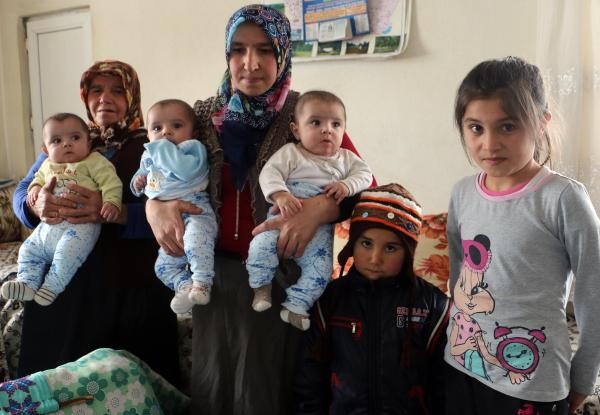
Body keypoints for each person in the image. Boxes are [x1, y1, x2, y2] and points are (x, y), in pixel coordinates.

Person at [144, 4, 372, 413]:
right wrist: (153, 206)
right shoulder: (201, 116)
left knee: (267, 390)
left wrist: (318, 210)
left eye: (265, 50)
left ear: (283, 54)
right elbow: (157, 169)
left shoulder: (307, 115)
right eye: (238, 50)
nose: (250, 63)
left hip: (280, 275)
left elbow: (362, 189)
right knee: (216, 387)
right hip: (214, 279)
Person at [445, 56, 600, 415]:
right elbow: (458, 277)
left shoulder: (563, 198)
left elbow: (593, 293)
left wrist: (584, 376)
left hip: (532, 382)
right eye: (476, 128)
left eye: (508, 126)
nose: (490, 144)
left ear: (542, 123)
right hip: (460, 366)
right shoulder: (462, 193)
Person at [12, 60, 180, 387]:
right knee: (58, 384)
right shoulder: (67, 138)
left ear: (131, 97)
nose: (105, 98)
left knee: (130, 387)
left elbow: (172, 212)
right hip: (67, 282)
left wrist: (118, 213)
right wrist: (35, 204)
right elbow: (24, 190)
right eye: (96, 90)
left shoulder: (153, 145)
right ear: (85, 96)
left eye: (117, 90)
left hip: (132, 280)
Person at [294, 183, 450, 414]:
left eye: (390, 248)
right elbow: (309, 379)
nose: (375, 259)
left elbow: (445, 385)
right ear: (352, 244)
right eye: (366, 244)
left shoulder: (433, 306)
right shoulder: (328, 300)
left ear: (408, 252)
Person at [246, 90, 372, 331]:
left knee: (322, 271)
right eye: (316, 123)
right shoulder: (292, 153)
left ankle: (297, 305)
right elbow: (270, 173)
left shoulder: (346, 158)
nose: (327, 130)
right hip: (285, 213)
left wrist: (347, 185)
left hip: (320, 232)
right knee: (260, 245)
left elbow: (366, 176)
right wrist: (280, 194)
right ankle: (261, 287)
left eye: (336, 124)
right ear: (296, 130)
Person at [2, 113, 121, 306]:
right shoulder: (47, 164)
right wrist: (35, 191)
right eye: (57, 141)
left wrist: (111, 202)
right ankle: (27, 283)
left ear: (88, 144)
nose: (67, 144)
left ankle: (52, 286)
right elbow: (34, 180)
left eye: (75, 138)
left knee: (67, 254)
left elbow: (111, 183)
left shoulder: (95, 162)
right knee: (28, 250)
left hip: (80, 225)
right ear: (45, 150)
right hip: (48, 227)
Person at [131, 99, 217, 313]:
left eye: (176, 126)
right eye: (157, 128)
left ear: (193, 132)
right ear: (147, 134)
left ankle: (202, 282)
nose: (166, 132)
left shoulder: (192, 149)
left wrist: (160, 147)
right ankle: (184, 286)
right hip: (167, 220)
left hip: (196, 211)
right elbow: (144, 178)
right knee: (162, 267)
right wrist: (138, 182)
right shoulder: (149, 154)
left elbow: (185, 171)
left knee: (196, 243)